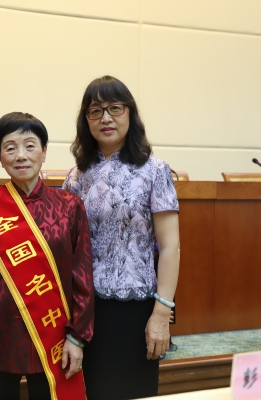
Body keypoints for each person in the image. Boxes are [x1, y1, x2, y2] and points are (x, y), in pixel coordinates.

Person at [0, 112, 94, 400]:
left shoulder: (70, 206)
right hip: (0, 338)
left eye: (30, 146)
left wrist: (77, 337)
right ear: (0, 158)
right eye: (10, 148)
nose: (21, 155)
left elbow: (82, 275)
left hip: (56, 336)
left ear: (44, 152)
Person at [63, 75, 180, 399]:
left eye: (115, 108)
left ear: (130, 113)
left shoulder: (155, 170)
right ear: (86, 120)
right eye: (95, 111)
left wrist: (161, 314)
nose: (106, 118)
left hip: (137, 310)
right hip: (85, 311)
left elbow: (170, 247)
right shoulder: (76, 176)